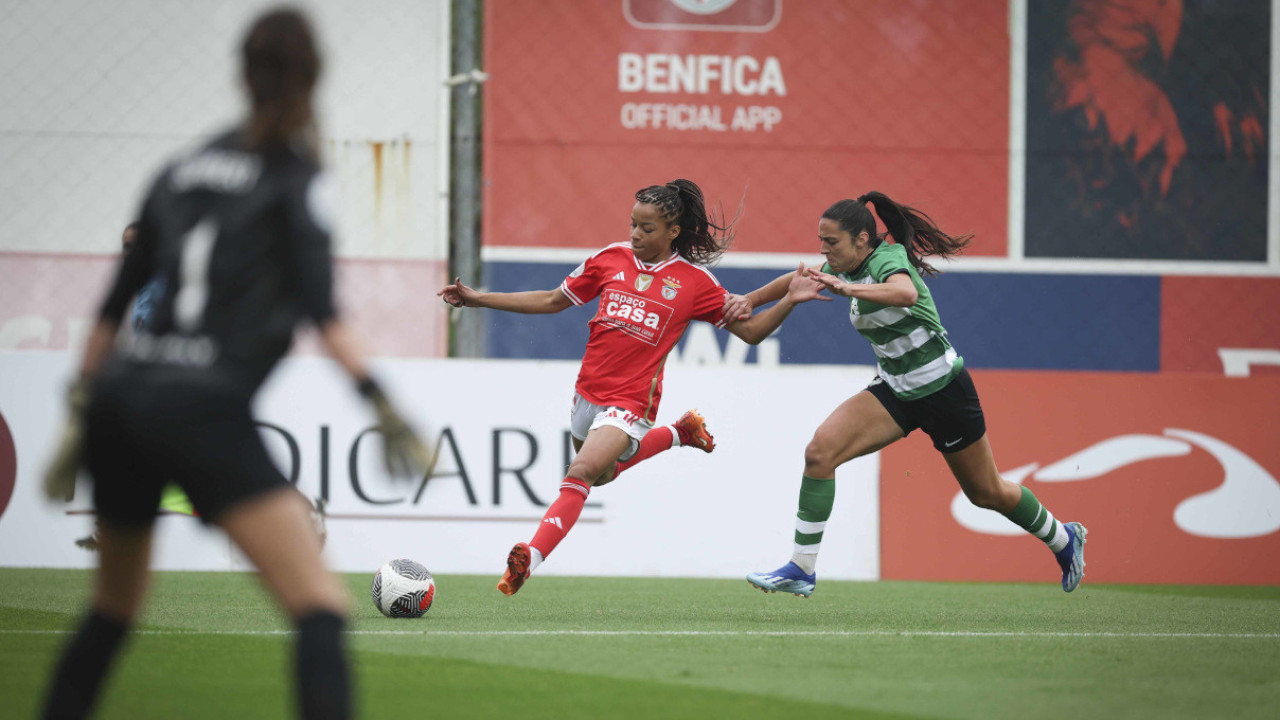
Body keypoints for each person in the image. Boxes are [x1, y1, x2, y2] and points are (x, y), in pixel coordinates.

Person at [38, 9, 431, 720]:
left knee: (111, 612)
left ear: (240, 74)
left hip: (120, 400)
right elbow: (325, 313)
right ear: (313, 77)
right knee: (318, 609)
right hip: (202, 403)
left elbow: (109, 310)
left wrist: (76, 415)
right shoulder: (296, 177)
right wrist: (381, 401)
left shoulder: (178, 169)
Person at [438, 179, 823, 596]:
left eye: (647, 228)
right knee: (599, 476)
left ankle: (530, 557)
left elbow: (751, 333)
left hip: (631, 402)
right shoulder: (609, 259)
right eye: (633, 225)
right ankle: (680, 432)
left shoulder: (694, 283)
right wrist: (479, 299)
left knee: (580, 473)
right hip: (587, 394)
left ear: (673, 231)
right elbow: (553, 300)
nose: (636, 235)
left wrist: (787, 299)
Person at [735, 192, 1087, 597]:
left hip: (943, 390)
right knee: (820, 452)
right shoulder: (844, 267)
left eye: (832, 242)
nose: (824, 250)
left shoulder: (886, 259)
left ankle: (1064, 539)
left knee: (986, 493)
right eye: (822, 241)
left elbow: (906, 294)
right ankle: (801, 567)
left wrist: (847, 290)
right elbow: (796, 278)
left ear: (862, 241)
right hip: (896, 391)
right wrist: (751, 298)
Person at [75, 224, 193, 551]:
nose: (128, 254)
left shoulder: (165, 283)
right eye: (125, 247)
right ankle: (110, 527)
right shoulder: (141, 287)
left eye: (135, 246)